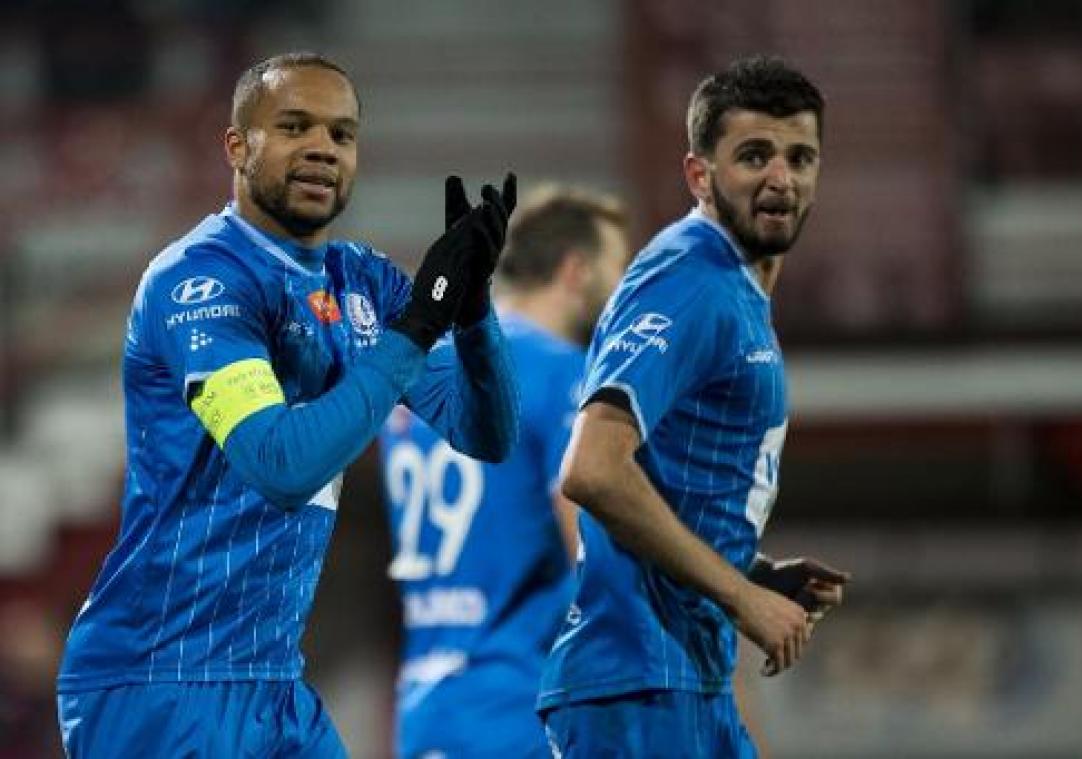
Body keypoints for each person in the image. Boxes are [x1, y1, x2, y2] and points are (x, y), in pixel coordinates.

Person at [55, 51, 520, 758]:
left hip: (274, 683)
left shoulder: (363, 282)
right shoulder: (201, 279)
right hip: (161, 678)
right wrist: (420, 324)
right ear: (237, 146)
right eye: (295, 126)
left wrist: (473, 309)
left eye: (342, 133)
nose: (323, 148)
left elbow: (485, 432)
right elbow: (281, 466)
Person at [537, 55, 851, 757]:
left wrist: (751, 568)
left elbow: (666, 477)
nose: (782, 178)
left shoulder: (732, 286)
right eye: (755, 156)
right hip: (638, 681)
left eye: (801, 157)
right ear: (699, 175)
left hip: (685, 672)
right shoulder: (689, 277)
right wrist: (743, 598)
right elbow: (592, 468)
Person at [381, 185, 630, 758]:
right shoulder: (562, 371)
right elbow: (596, 558)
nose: (622, 292)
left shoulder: (419, 376)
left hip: (424, 708)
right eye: (616, 271)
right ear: (576, 270)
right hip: (521, 707)